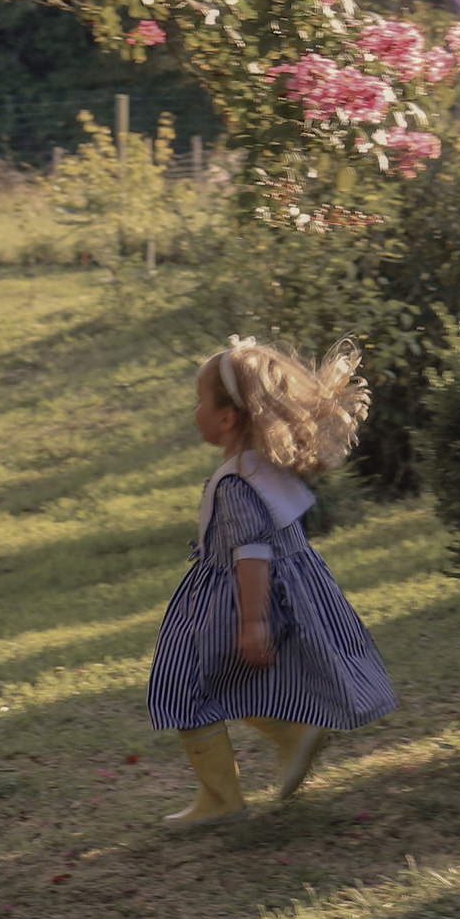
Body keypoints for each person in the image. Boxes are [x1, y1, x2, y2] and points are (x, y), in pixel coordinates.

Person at [147, 336, 396, 830]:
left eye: (200, 401)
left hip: (236, 600)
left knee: (184, 683)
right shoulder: (265, 467)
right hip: (290, 589)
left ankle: (223, 798)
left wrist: (254, 621)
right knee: (229, 681)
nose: (194, 410)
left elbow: (252, 552)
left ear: (228, 418)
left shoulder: (237, 482)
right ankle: (292, 735)